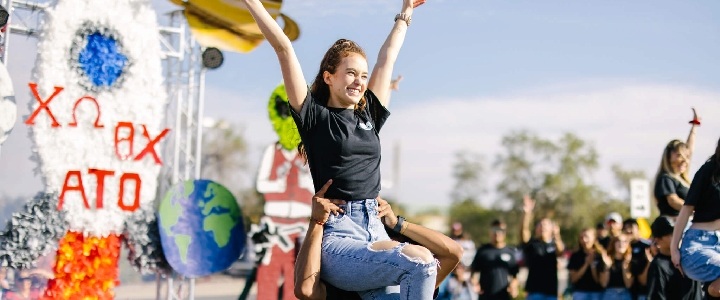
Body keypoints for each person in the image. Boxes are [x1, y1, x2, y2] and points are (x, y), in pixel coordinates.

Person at [242, 0, 438, 298]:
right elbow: (283, 48)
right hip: (340, 236)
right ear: (328, 77)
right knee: (421, 262)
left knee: (427, 265)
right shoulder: (315, 118)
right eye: (350, 73)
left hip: (375, 228)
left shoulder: (369, 114)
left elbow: (387, 60)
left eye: (362, 75)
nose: (359, 81)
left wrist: (405, 14)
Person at [293, 180, 463, 300]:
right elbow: (306, 290)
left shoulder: (414, 284)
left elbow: (454, 252)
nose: (394, 250)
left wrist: (398, 224)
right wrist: (317, 222)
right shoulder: (347, 277)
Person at [672, 137, 720, 297]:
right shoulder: (709, 170)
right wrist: (674, 249)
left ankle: (713, 291)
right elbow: (686, 210)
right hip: (698, 245)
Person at [653, 108, 700, 219]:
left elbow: (689, 149)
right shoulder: (666, 178)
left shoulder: (681, 179)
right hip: (671, 227)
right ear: (668, 157)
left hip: (684, 222)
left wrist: (694, 126)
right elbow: (673, 201)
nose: (684, 160)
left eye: (686, 157)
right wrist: (698, 211)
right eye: (679, 156)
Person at [520, 195, 565, 300]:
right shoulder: (532, 244)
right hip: (534, 293)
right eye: (540, 225)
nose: (542, 227)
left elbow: (560, 252)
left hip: (551, 293)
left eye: (546, 225)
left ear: (552, 228)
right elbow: (524, 231)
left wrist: (557, 236)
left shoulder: (555, 243)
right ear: (536, 229)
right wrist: (527, 213)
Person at [646, 216, 702, 300]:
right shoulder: (658, 265)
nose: (677, 236)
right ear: (658, 240)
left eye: (678, 232)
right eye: (671, 234)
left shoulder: (690, 257)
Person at [470, 219, 519, 300]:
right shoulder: (483, 251)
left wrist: (513, 286)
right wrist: (475, 283)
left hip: (504, 296)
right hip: (485, 296)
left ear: (505, 232)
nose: (497, 233)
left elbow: (515, 276)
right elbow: (473, 272)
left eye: (500, 230)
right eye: (495, 230)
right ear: (490, 231)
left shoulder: (510, 251)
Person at [567, 228, 605, 300]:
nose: (584, 240)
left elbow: (599, 281)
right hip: (580, 292)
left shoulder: (600, 255)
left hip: (596, 293)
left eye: (587, 237)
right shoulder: (575, 255)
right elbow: (573, 279)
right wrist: (586, 264)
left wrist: (592, 265)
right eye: (581, 238)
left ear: (594, 238)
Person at [598, 234, 634, 300]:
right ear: (613, 243)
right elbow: (603, 284)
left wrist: (624, 266)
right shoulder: (606, 260)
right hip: (609, 294)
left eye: (624, 241)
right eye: (618, 241)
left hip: (625, 294)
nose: (621, 244)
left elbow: (628, 284)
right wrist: (607, 266)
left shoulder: (630, 261)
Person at [623, 219, 651, 300]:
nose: (628, 231)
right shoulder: (621, 246)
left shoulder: (646, 246)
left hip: (644, 291)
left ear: (638, 230)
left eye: (631, 227)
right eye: (626, 228)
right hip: (627, 292)